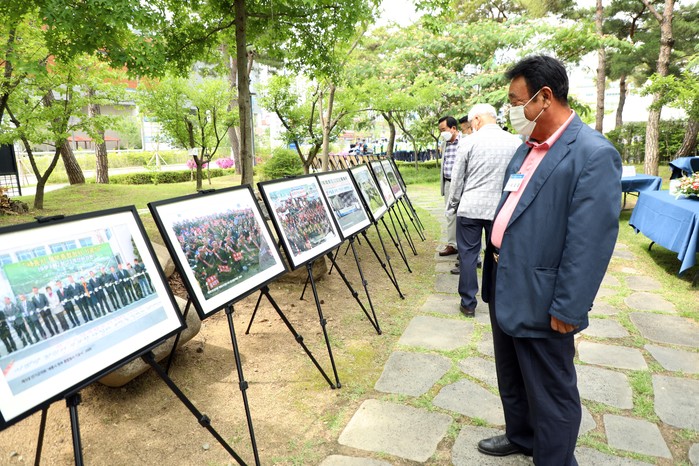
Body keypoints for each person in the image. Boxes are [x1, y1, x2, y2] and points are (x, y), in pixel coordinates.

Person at [478, 55, 621, 465]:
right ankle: (522, 436)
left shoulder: (593, 153)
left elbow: (590, 242)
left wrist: (569, 307)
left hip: (543, 295)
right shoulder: (526, 149)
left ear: (544, 97)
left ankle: (554, 459)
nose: (512, 110)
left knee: (551, 389)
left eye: (515, 101)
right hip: (505, 278)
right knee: (512, 374)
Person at [446, 103, 521, 317]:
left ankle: (468, 303)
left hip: (470, 207)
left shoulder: (469, 142)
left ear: (477, 119)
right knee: (498, 255)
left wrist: (452, 206)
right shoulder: (515, 142)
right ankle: (497, 299)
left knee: (468, 255)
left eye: (471, 123)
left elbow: (457, 179)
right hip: (500, 210)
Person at [437, 116, 461, 257]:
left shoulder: (465, 142)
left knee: (463, 215)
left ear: (453, 128)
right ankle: (452, 245)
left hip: (461, 184)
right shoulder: (445, 144)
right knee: (450, 214)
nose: (442, 133)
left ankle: (464, 246)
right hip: (448, 182)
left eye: (443, 129)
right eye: (440, 131)